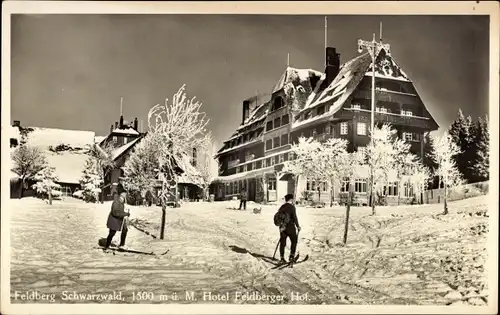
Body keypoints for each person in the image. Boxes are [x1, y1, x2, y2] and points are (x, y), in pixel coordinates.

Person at [275, 194, 301, 263]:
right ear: (291, 199)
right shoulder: (292, 207)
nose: (293, 200)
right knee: (294, 241)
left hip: (282, 227)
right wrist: (298, 226)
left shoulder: (282, 207)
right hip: (290, 227)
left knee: (282, 243)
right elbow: (294, 218)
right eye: (292, 199)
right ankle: (291, 256)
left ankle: (282, 258)